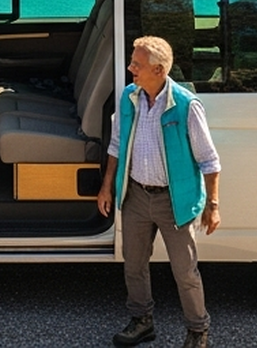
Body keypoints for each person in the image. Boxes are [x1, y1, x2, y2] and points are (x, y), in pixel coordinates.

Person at [95, 37, 221, 348]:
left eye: (137, 64)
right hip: (136, 195)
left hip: (173, 201)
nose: (130, 68)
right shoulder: (129, 97)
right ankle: (142, 322)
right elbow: (116, 145)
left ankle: (197, 331)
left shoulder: (186, 105)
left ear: (159, 70)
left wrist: (213, 205)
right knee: (133, 265)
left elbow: (210, 160)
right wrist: (107, 186)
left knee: (185, 272)